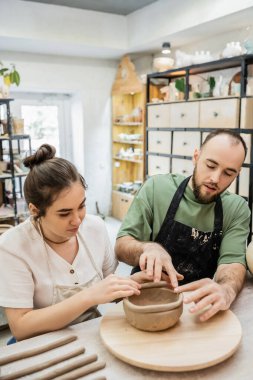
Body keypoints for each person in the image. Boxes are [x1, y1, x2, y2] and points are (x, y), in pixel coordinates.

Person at [0, 144, 148, 341]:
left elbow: (106, 290)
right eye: (64, 213)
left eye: (81, 206)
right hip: (40, 342)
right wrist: (89, 296)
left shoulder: (95, 228)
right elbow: (21, 326)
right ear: (35, 210)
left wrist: (135, 282)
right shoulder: (12, 246)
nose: (78, 220)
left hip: (90, 330)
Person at [115, 129, 251, 322]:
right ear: (196, 156)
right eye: (211, 165)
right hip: (145, 301)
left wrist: (226, 289)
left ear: (236, 175)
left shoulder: (237, 209)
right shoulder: (156, 188)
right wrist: (148, 248)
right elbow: (121, 246)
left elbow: (232, 262)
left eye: (228, 173)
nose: (215, 179)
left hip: (197, 309)